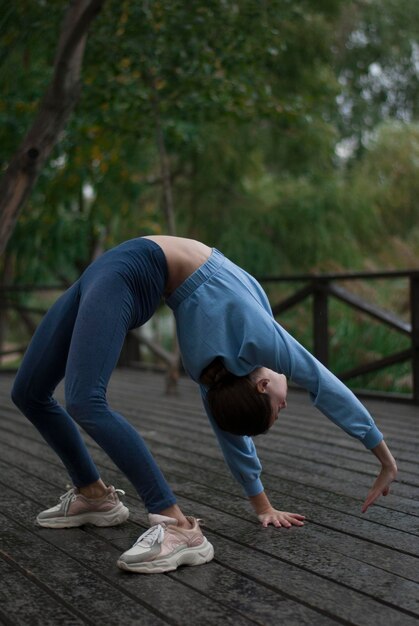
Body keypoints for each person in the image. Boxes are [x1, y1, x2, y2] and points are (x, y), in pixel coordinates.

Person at [11, 235, 398, 575]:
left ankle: (177, 524)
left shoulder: (210, 367)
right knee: (28, 392)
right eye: (279, 409)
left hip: (130, 272)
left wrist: (262, 505)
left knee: (85, 401)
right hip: (116, 266)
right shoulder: (262, 340)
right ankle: (92, 494)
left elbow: (228, 429)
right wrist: (382, 454)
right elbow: (323, 384)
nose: (287, 405)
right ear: (262, 384)